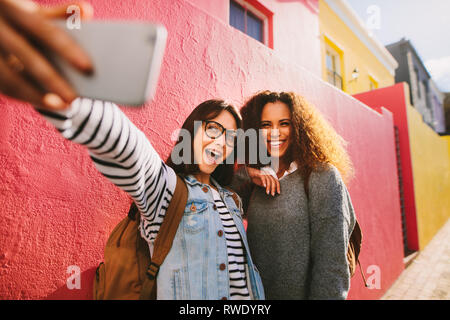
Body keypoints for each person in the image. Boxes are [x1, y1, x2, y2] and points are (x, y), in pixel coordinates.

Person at [0, 0, 264, 300]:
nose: (220, 142)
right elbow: (128, 149)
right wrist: (67, 92)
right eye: (213, 130)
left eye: (230, 137)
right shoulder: (166, 190)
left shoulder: (231, 197)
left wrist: (259, 170)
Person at [229, 90, 356, 299]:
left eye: (284, 123)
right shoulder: (259, 177)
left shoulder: (321, 176)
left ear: (299, 127)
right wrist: (247, 174)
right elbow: (220, 199)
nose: (275, 132)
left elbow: (331, 266)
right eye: (266, 125)